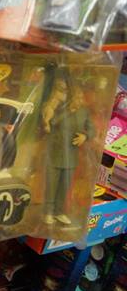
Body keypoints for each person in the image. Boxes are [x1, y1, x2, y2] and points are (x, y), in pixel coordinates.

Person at [43, 78, 94, 225]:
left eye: (81, 97)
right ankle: (48, 212)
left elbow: (92, 129)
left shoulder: (84, 112)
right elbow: (52, 122)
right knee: (51, 186)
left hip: (71, 156)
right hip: (54, 154)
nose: (80, 100)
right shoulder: (60, 109)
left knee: (64, 187)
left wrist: (85, 136)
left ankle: (59, 212)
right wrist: (68, 111)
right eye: (77, 97)